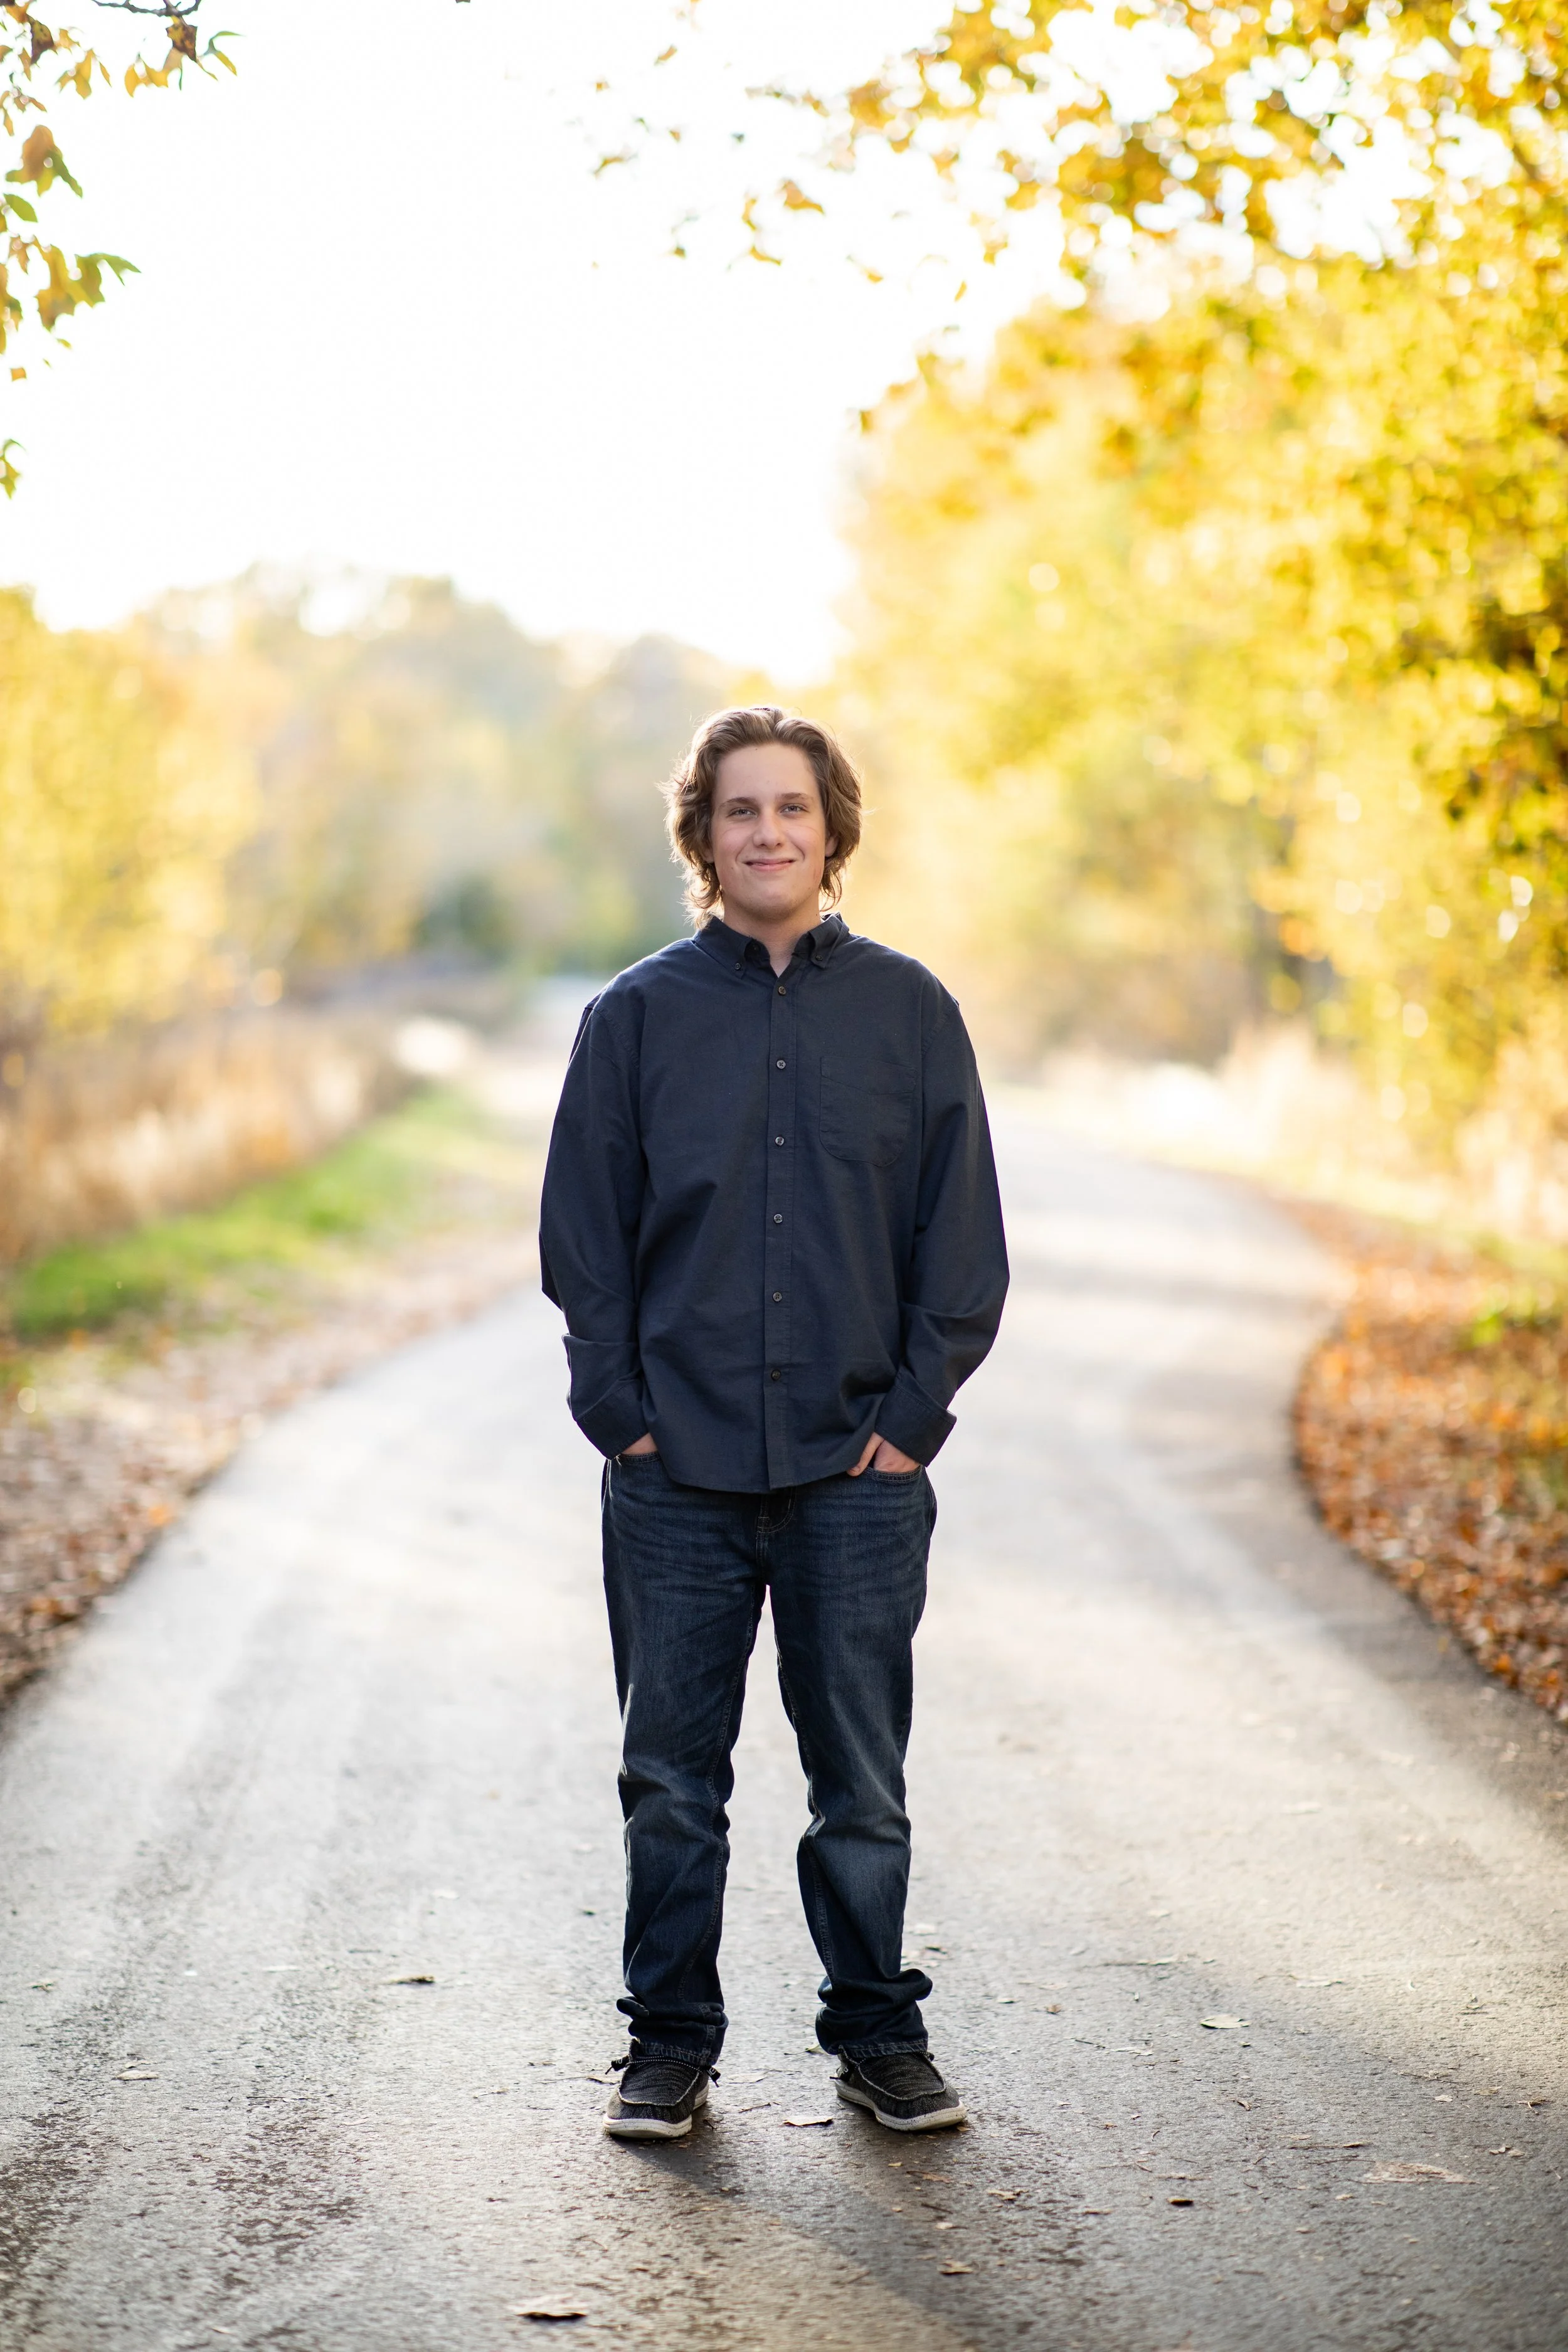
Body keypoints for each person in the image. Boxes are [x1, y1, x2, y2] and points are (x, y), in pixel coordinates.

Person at [539, 704, 1008, 2142]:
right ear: (702, 837)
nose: (766, 833)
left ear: (830, 828)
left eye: (789, 809)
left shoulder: (913, 1013)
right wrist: (620, 1418)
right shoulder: (633, 1017)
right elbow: (584, 1238)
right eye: (738, 811)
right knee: (671, 1785)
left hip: (855, 1473)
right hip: (671, 1473)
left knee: (858, 1785)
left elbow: (961, 1241)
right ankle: (668, 2046)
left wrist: (913, 1421)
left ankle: (877, 2034)